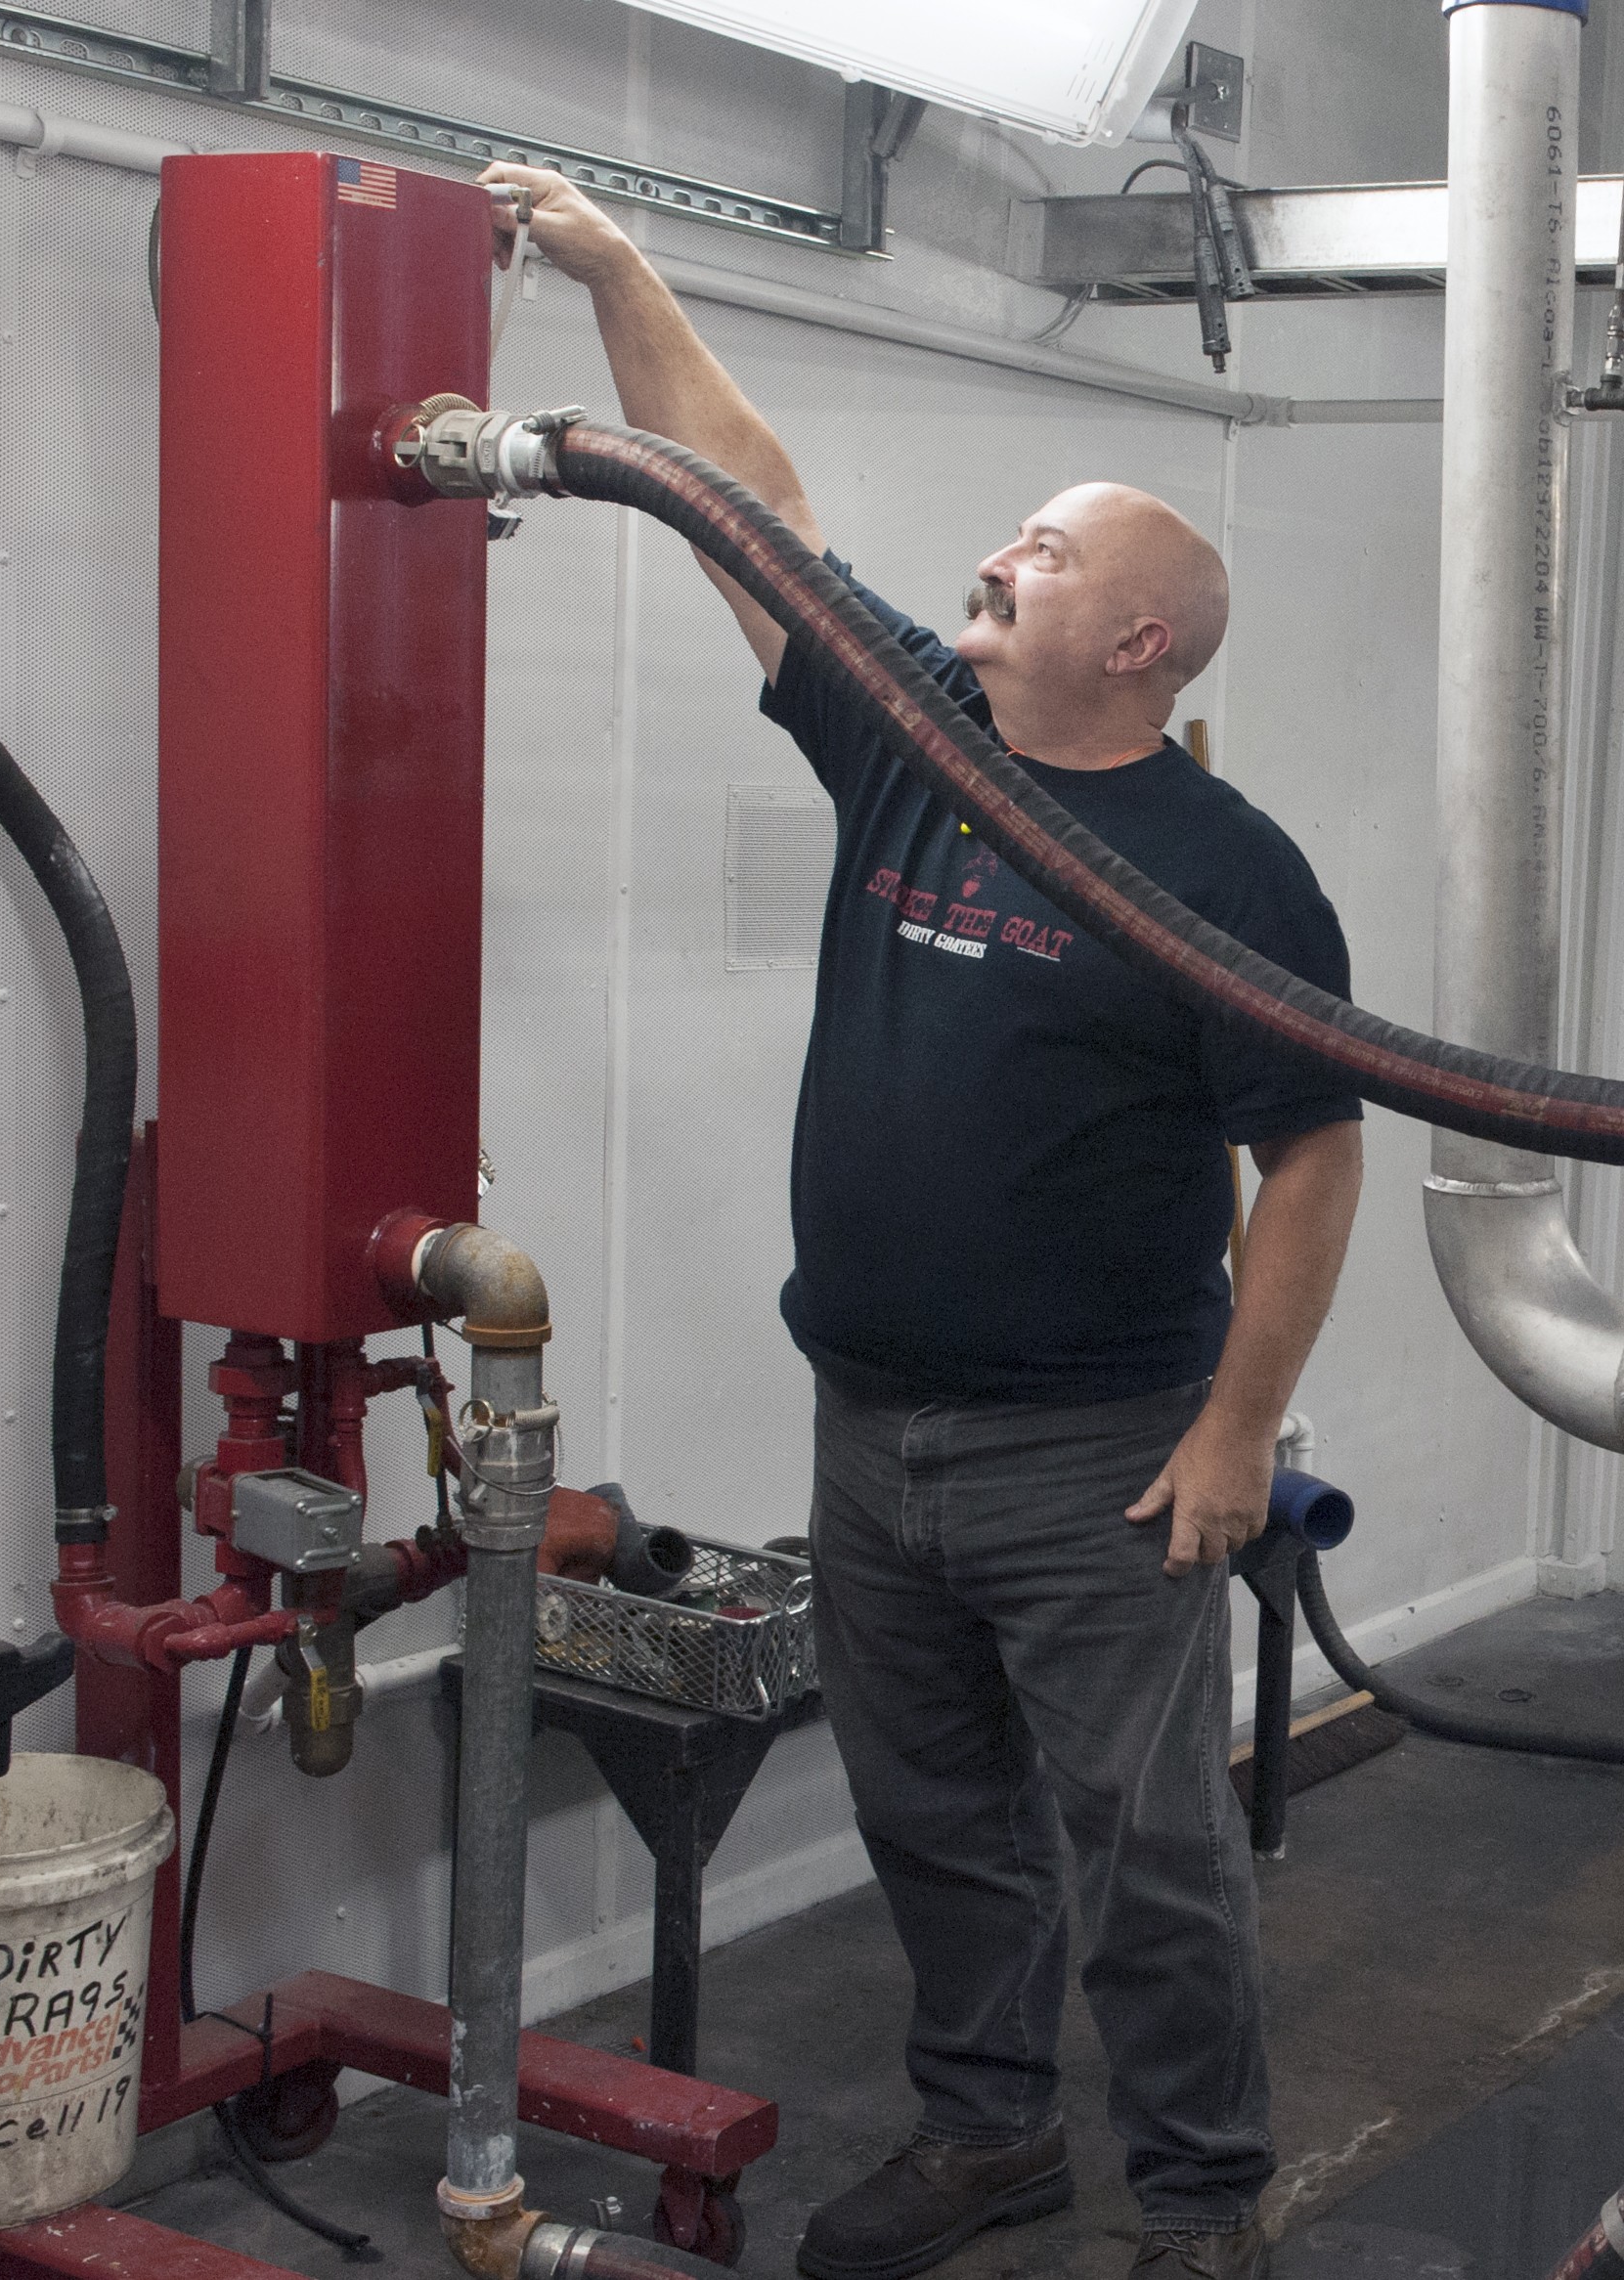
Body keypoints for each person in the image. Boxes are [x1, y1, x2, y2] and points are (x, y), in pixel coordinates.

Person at [481, 164, 1364, 2280]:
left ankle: (1201, 2201)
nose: (996, 555)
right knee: (936, 1816)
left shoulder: (1225, 871)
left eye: (1045, 552)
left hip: (1098, 1451)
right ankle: (988, 2135)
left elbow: (1316, 1156)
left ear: (1135, 640)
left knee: (1147, 1844)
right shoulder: (914, 740)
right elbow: (744, 500)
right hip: (868, 1422)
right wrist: (616, 265)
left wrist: (1239, 1430)